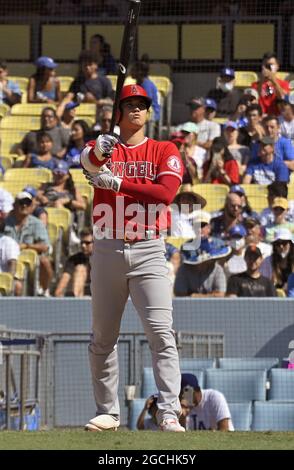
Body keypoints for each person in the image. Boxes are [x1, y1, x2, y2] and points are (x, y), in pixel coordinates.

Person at [80, 84, 185, 432]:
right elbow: (87, 163)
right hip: (108, 246)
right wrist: (98, 150)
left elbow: (165, 194)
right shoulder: (106, 148)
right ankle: (108, 412)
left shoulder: (163, 148)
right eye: (130, 104)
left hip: (149, 247)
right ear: (119, 111)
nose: (137, 109)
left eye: (142, 104)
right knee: (103, 337)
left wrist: (117, 183)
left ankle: (169, 410)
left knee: (161, 333)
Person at [54, 227, 93, 297]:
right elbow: (64, 281)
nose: (83, 246)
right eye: (82, 243)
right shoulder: (74, 259)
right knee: (80, 269)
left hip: (100, 298)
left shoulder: (104, 260)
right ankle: (75, 301)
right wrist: (58, 294)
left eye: (87, 243)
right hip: (82, 298)